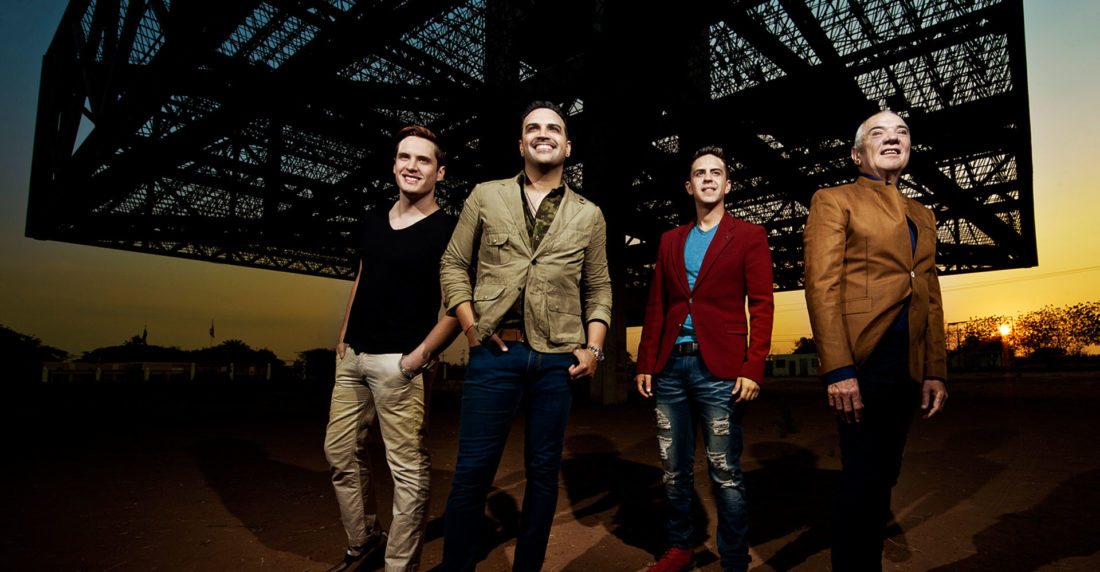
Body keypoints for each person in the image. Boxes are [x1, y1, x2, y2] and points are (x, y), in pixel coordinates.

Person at [438, 100, 612, 571]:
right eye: (533, 128)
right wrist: (471, 327)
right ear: (521, 144)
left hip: (557, 360)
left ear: (567, 146)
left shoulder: (589, 214)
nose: (543, 133)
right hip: (495, 352)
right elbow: (453, 263)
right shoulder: (485, 196)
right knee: (473, 474)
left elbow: (598, 287)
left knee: (543, 475)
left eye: (554, 128)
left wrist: (594, 349)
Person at [803, 110, 949, 571]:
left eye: (901, 132)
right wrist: (838, 369)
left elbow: (929, 293)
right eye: (879, 132)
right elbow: (821, 286)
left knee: (885, 473)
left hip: (908, 361)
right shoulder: (833, 200)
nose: (892, 138)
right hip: (863, 358)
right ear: (856, 153)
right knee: (864, 476)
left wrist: (934, 368)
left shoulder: (923, 214)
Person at [323, 125, 460, 572]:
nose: (412, 166)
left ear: (440, 172)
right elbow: (362, 277)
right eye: (405, 157)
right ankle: (364, 540)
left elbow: (460, 304)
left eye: (423, 160)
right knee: (339, 453)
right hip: (354, 358)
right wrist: (343, 336)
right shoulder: (372, 219)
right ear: (394, 164)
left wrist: (419, 358)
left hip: (401, 365)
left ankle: (400, 566)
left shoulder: (448, 230)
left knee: (408, 471)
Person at [634, 146, 775, 572]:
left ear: (727, 185)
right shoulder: (670, 240)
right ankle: (680, 548)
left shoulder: (749, 235)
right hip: (670, 368)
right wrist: (646, 361)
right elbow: (657, 305)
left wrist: (753, 367)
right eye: (700, 173)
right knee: (673, 469)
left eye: (716, 173)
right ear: (689, 186)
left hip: (722, 371)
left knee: (724, 469)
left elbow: (762, 305)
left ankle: (734, 558)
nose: (708, 179)